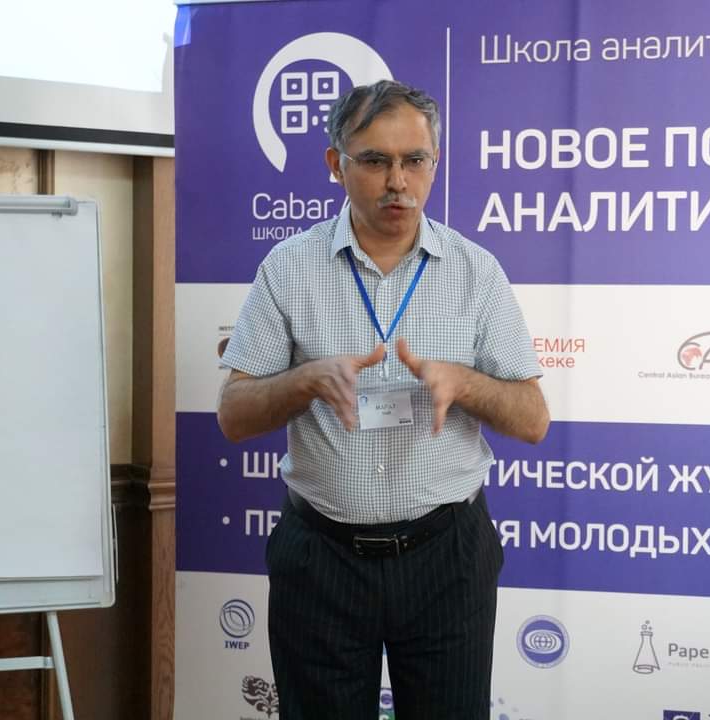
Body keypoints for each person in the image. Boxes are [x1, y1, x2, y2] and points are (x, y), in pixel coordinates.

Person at [217, 79, 549, 719]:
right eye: (374, 160)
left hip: (447, 558)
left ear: (434, 163)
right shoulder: (288, 268)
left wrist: (465, 383)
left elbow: (533, 420)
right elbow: (234, 415)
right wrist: (307, 380)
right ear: (335, 163)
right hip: (321, 559)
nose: (398, 181)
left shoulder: (476, 272)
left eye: (414, 160)